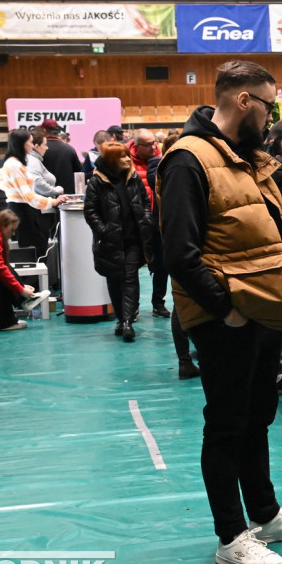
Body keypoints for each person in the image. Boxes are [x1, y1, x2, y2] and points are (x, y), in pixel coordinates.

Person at [156, 60, 282, 564]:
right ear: (243, 101)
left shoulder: (243, 155)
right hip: (226, 319)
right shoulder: (187, 160)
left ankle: (264, 511)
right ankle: (230, 534)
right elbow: (179, 253)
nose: (271, 115)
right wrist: (227, 310)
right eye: (268, 104)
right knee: (226, 424)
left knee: (257, 415)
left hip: (261, 312)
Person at [84, 141, 154, 343]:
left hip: (134, 239)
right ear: (112, 160)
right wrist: (104, 231)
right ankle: (121, 318)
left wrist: (147, 220)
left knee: (131, 277)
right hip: (110, 241)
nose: (127, 159)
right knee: (114, 279)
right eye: (122, 156)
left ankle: (127, 322)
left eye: (127, 155)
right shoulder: (97, 181)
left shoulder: (133, 177)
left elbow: (145, 201)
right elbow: (90, 211)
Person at [147, 133, 199, 379]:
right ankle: (185, 359)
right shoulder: (168, 167)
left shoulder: (170, 166)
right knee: (181, 301)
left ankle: (187, 357)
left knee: (183, 302)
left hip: (180, 241)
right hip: (181, 242)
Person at [0, 129, 67, 258]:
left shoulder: (14, 163)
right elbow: (29, 197)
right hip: (24, 211)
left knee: (35, 250)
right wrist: (53, 201)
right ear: (22, 144)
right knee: (32, 253)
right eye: (31, 142)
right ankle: (32, 279)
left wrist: (12, 191)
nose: (33, 146)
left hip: (23, 209)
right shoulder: (14, 165)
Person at [128, 128, 167, 317]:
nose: (154, 147)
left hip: (158, 220)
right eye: (148, 144)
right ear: (137, 147)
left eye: (155, 143)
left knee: (162, 264)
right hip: (136, 223)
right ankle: (132, 306)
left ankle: (158, 303)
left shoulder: (163, 160)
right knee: (133, 265)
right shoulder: (126, 163)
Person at [39, 119, 82, 194]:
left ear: (44, 131)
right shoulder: (70, 149)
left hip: (45, 195)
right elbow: (79, 173)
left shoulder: (40, 149)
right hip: (67, 197)